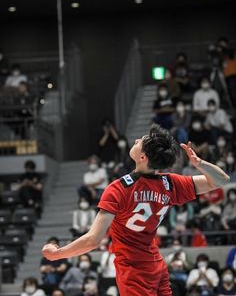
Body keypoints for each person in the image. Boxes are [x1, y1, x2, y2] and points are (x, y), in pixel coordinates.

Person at [42, 124, 230, 296]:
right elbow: (221, 180)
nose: (136, 140)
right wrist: (199, 164)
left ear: (143, 157)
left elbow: (93, 240)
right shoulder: (169, 183)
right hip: (157, 265)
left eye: (141, 140)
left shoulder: (119, 189)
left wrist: (58, 253)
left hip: (134, 270)